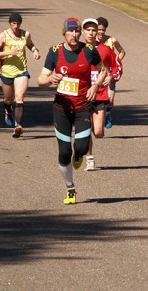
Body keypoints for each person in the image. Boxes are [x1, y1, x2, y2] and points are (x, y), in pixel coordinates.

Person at [37, 18, 107, 204]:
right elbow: (40, 80)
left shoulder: (89, 50)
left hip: (83, 106)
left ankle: (79, 155)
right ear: (64, 33)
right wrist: (50, 78)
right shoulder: (54, 52)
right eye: (71, 31)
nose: (75, 35)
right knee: (64, 152)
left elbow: (103, 70)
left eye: (77, 31)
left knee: (82, 148)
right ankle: (70, 188)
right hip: (62, 108)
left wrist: (95, 86)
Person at [82, 18, 123, 171]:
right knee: (85, 129)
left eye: (94, 30)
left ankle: (99, 124)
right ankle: (89, 159)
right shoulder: (77, 49)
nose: (92, 33)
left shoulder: (105, 49)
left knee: (98, 132)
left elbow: (117, 66)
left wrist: (111, 76)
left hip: (99, 95)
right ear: (83, 32)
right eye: (89, 30)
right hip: (82, 95)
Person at [0, 13, 40, 138]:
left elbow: (30, 44)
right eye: (13, 23)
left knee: (20, 97)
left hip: (21, 71)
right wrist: (9, 52)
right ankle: (8, 110)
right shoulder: (3, 36)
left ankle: (18, 126)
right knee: (8, 99)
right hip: (6, 71)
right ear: (10, 23)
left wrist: (35, 51)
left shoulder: (25, 34)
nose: (16, 26)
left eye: (18, 23)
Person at [96, 17, 126, 129]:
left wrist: (115, 63)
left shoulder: (111, 40)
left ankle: (107, 113)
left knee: (111, 100)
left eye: (103, 30)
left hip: (110, 72)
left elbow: (122, 52)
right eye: (98, 29)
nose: (100, 32)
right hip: (98, 72)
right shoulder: (92, 41)